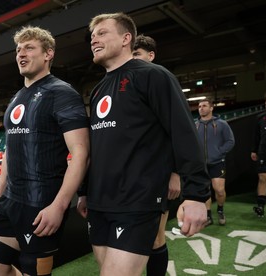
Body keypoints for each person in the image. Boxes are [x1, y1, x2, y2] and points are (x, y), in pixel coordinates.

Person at [76, 12, 210, 276]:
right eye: (92, 36)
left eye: (102, 33)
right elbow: (97, 145)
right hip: (100, 201)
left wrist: (196, 195)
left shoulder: (154, 76)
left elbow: (183, 134)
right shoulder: (98, 90)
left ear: (127, 38)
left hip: (138, 200)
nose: (94, 40)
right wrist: (84, 190)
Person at [0, 26, 90, 276]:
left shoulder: (61, 93)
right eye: (18, 49)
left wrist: (60, 206)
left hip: (42, 204)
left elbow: (81, 153)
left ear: (48, 54)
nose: (21, 54)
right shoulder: (17, 97)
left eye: (29, 48)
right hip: (10, 202)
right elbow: (9, 151)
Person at [132, 34, 181, 276]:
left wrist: (175, 173)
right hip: (134, 181)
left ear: (151, 56)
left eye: (137, 55)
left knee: (155, 237)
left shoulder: (161, 82)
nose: (133, 60)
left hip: (160, 176)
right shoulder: (130, 89)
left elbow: (177, 133)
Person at [196, 99, 235, 226]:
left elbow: (230, 141)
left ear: (211, 108)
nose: (201, 108)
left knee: (219, 190)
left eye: (204, 106)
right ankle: (208, 216)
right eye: (199, 106)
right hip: (201, 164)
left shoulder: (222, 124)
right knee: (205, 190)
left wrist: (219, 152)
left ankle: (220, 210)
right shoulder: (195, 125)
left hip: (217, 162)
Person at [251, 91, 266, 217]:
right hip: (265, 153)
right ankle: (260, 207)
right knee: (263, 178)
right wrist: (254, 150)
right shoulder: (260, 117)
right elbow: (256, 136)